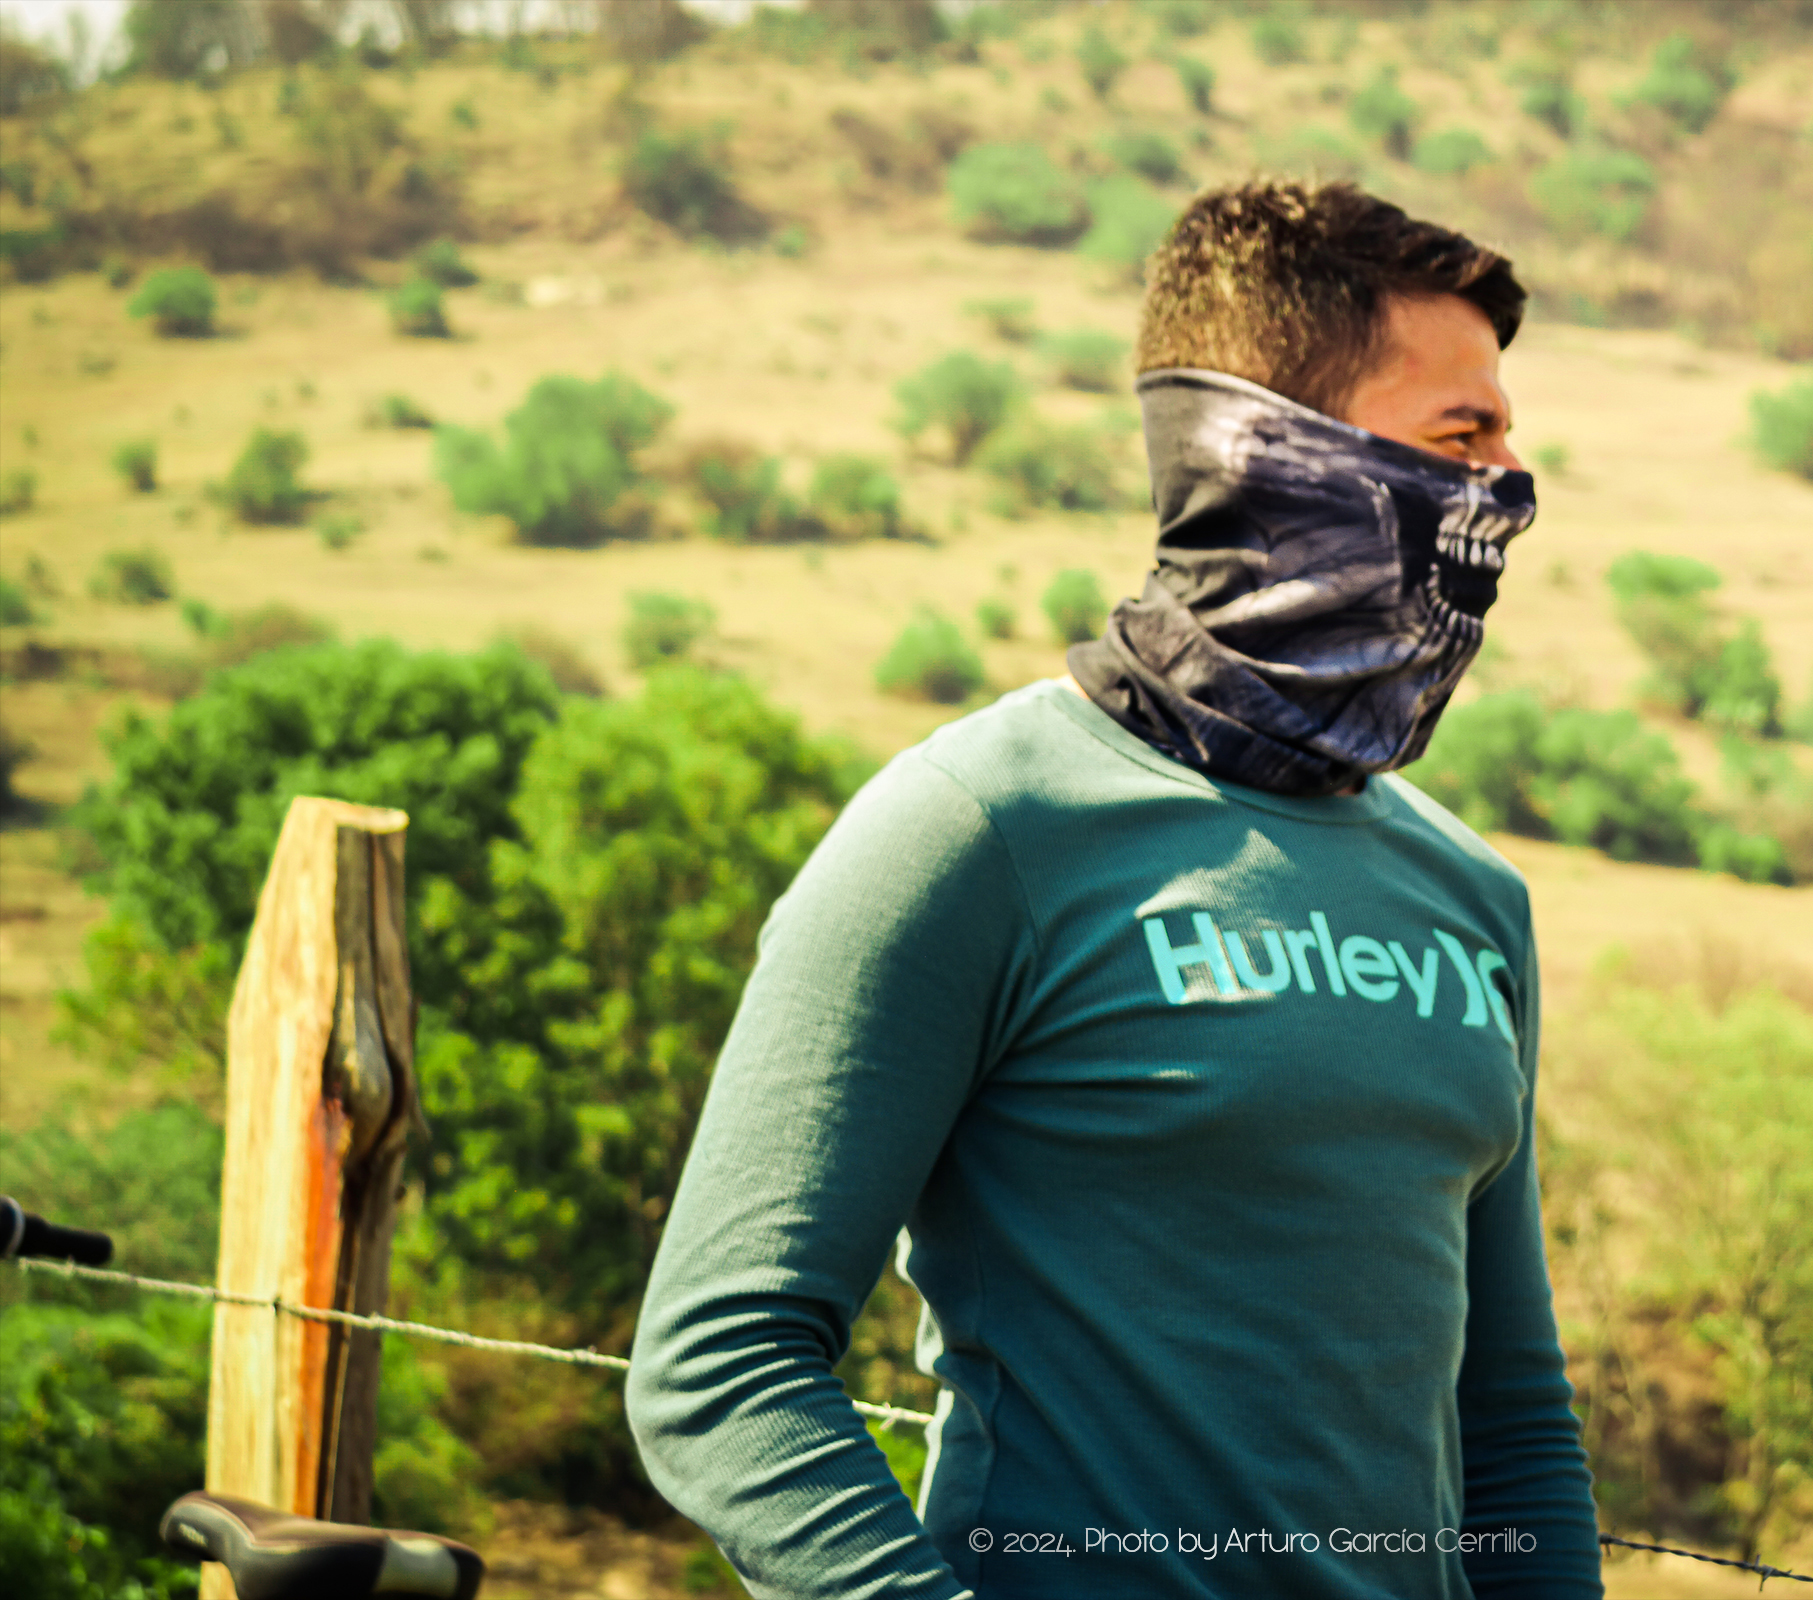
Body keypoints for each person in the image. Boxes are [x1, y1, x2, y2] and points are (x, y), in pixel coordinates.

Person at [627, 179, 1604, 1600]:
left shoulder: (1470, 892)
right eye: (1462, 437)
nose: (1508, 488)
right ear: (1278, 456)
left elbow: (1508, 1420)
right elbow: (720, 1368)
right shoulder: (977, 829)